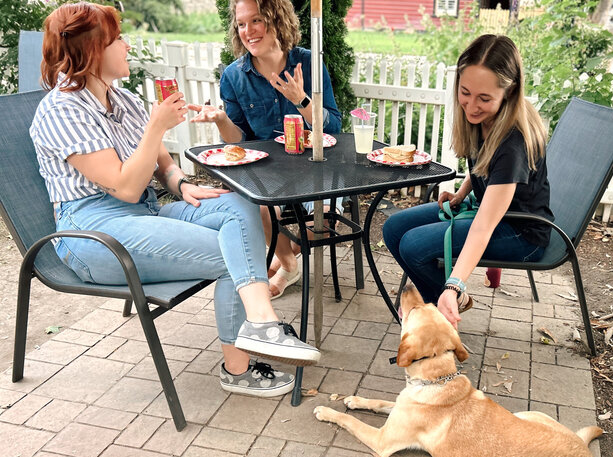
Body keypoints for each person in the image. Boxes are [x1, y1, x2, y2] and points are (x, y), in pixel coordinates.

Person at [30, 1, 321, 399]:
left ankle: (259, 323)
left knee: (240, 205)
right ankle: (242, 362)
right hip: (94, 234)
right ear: (93, 50)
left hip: (146, 213)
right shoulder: (61, 110)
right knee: (229, 254)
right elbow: (125, 186)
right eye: (117, 40)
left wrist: (181, 183)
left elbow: (163, 165)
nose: (127, 46)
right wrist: (156, 127)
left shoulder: (123, 100)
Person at [383, 34, 553, 328]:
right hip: (492, 211)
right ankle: (445, 305)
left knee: (413, 246)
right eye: (465, 92)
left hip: (521, 231)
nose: (471, 106)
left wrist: (454, 284)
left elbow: (483, 227)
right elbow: (482, 169)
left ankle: (442, 307)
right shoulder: (481, 120)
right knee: (393, 228)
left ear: (509, 93)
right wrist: (461, 194)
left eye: (484, 98)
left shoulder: (513, 142)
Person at [189, 0, 342, 299]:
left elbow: (333, 127)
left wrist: (302, 100)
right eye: (242, 24)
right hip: (267, 172)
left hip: (315, 168)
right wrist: (221, 120)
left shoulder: (309, 64)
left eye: (256, 20)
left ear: (277, 19)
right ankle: (288, 265)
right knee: (257, 204)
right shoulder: (234, 77)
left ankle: (283, 249)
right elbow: (240, 143)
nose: (248, 31)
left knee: (327, 221)